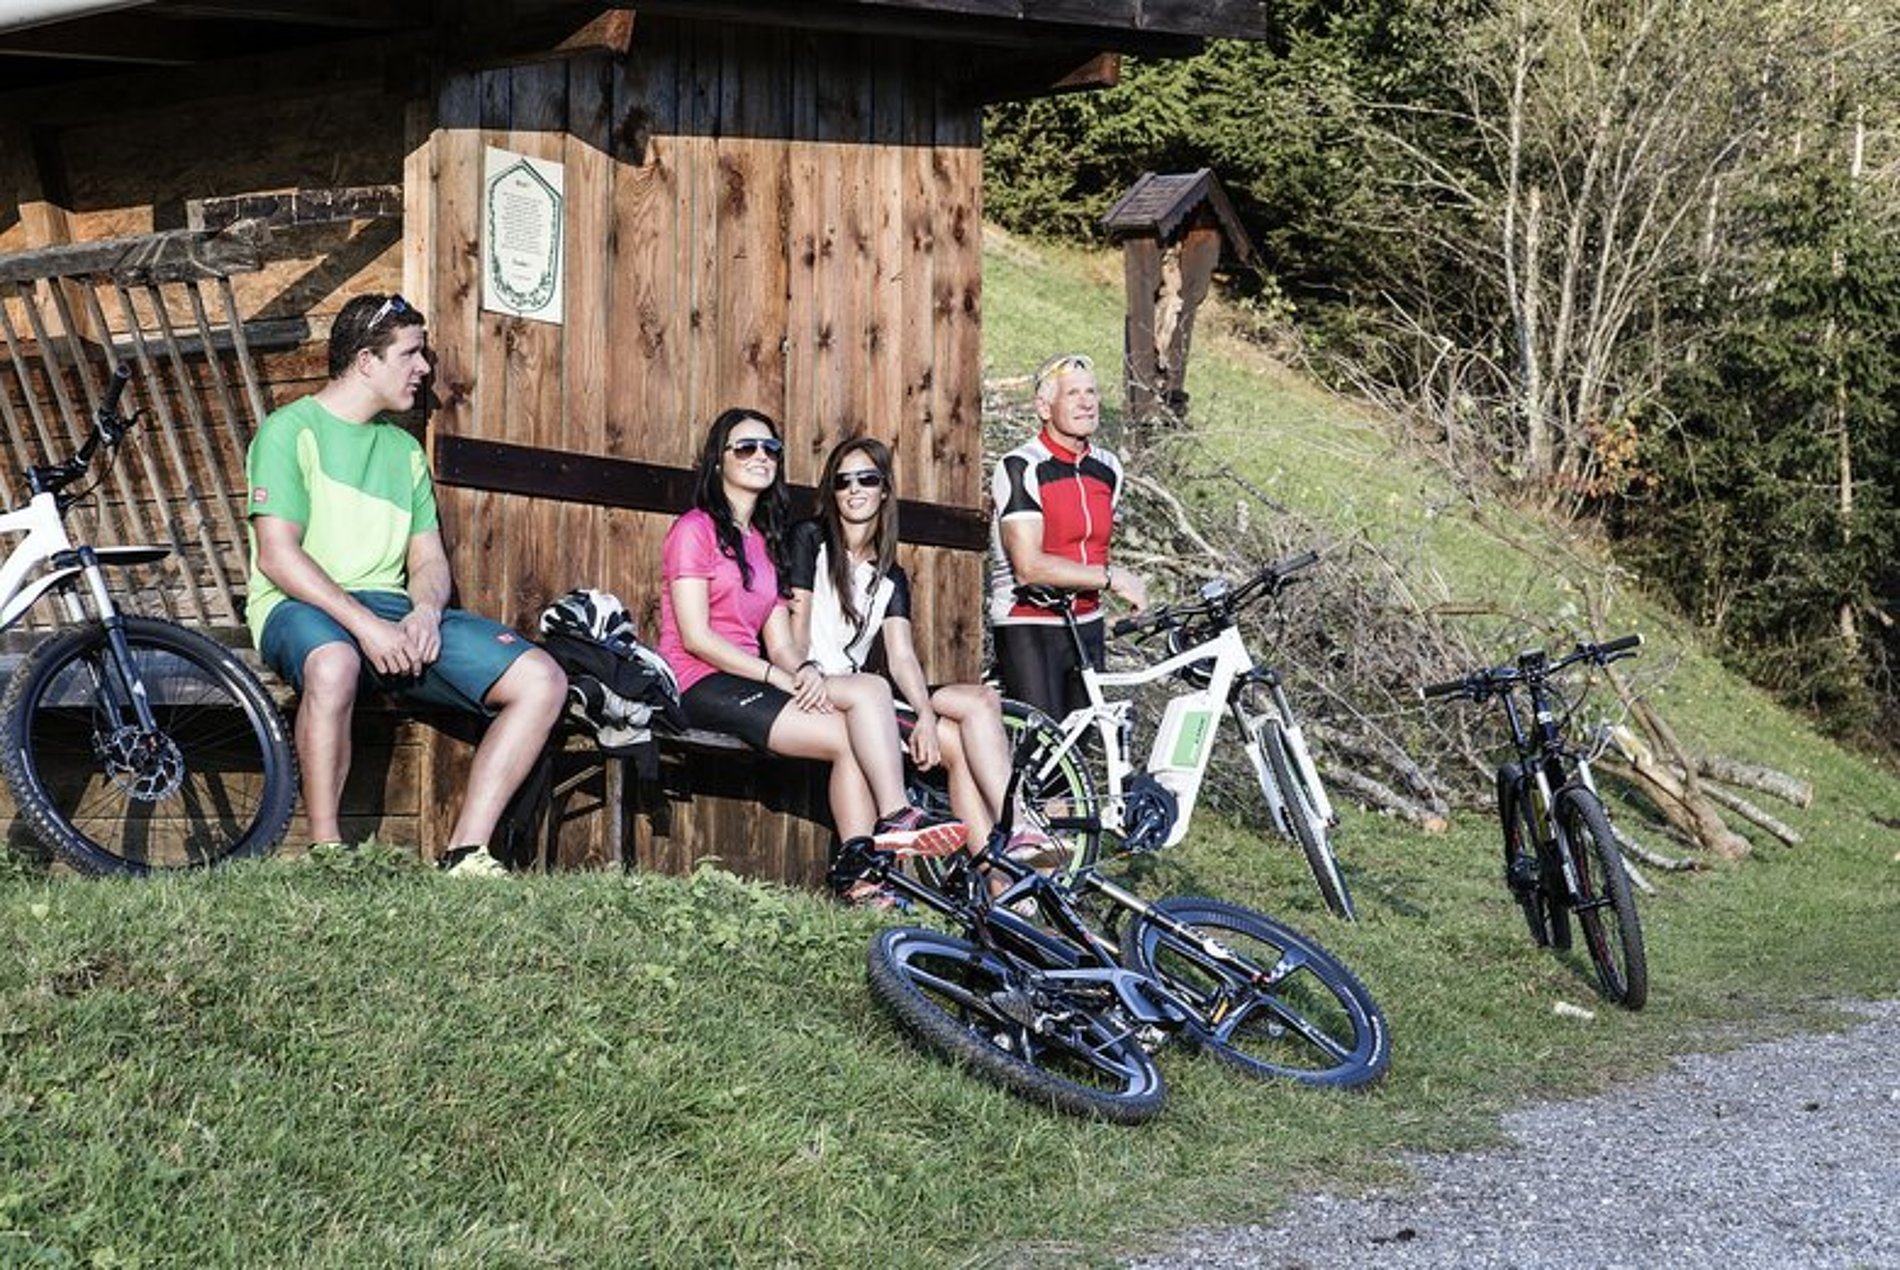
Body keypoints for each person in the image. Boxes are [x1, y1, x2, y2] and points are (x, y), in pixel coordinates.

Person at [246, 292, 569, 876]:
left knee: (541, 678)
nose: (424, 369)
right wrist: (367, 627)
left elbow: (429, 563)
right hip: (302, 606)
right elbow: (278, 558)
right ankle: (327, 854)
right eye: (411, 354)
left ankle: (467, 852)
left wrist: (421, 614)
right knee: (333, 663)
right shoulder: (289, 430)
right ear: (366, 362)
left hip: (394, 613)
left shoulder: (403, 452)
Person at [657, 408, 966, 880]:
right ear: (718, 461)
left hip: (752, 675)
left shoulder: (763, 543)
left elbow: (780, 642)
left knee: (868, 698)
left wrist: (802, 671)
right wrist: (775, 675)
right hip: (695, 681)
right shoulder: (694, 529)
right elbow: (696, 637)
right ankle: (893, 823)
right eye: (746, 447)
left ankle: (865, 869)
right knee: (853, 733)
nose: (761, 455)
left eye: (770, 449)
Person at [787, 437, 1049, 858]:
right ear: (832, 491)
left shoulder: (890, 573)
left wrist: (925, 716)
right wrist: (801, 669)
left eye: (867, 479)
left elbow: (902, 654)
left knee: (982, 701)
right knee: (958, 743)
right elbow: (795, 624)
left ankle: (1009, 844)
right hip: (823, 682)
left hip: (863, 688)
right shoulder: (808, 539)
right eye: (843, 482)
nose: (854, 490)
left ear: (885, 489)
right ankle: (1004, 845)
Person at [989, 352, 1149, 720]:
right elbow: (1029, 566)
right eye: (1073, 393)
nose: (1087, 402)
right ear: (1044, 407)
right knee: (1045, 751)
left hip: (1087, 623)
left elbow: (1094, 547)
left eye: (1091, 392)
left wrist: (1106, 587)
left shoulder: (1109, 468)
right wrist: (1113, 579)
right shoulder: (1020, 466)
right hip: (1028, 621)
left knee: (1083, 747)